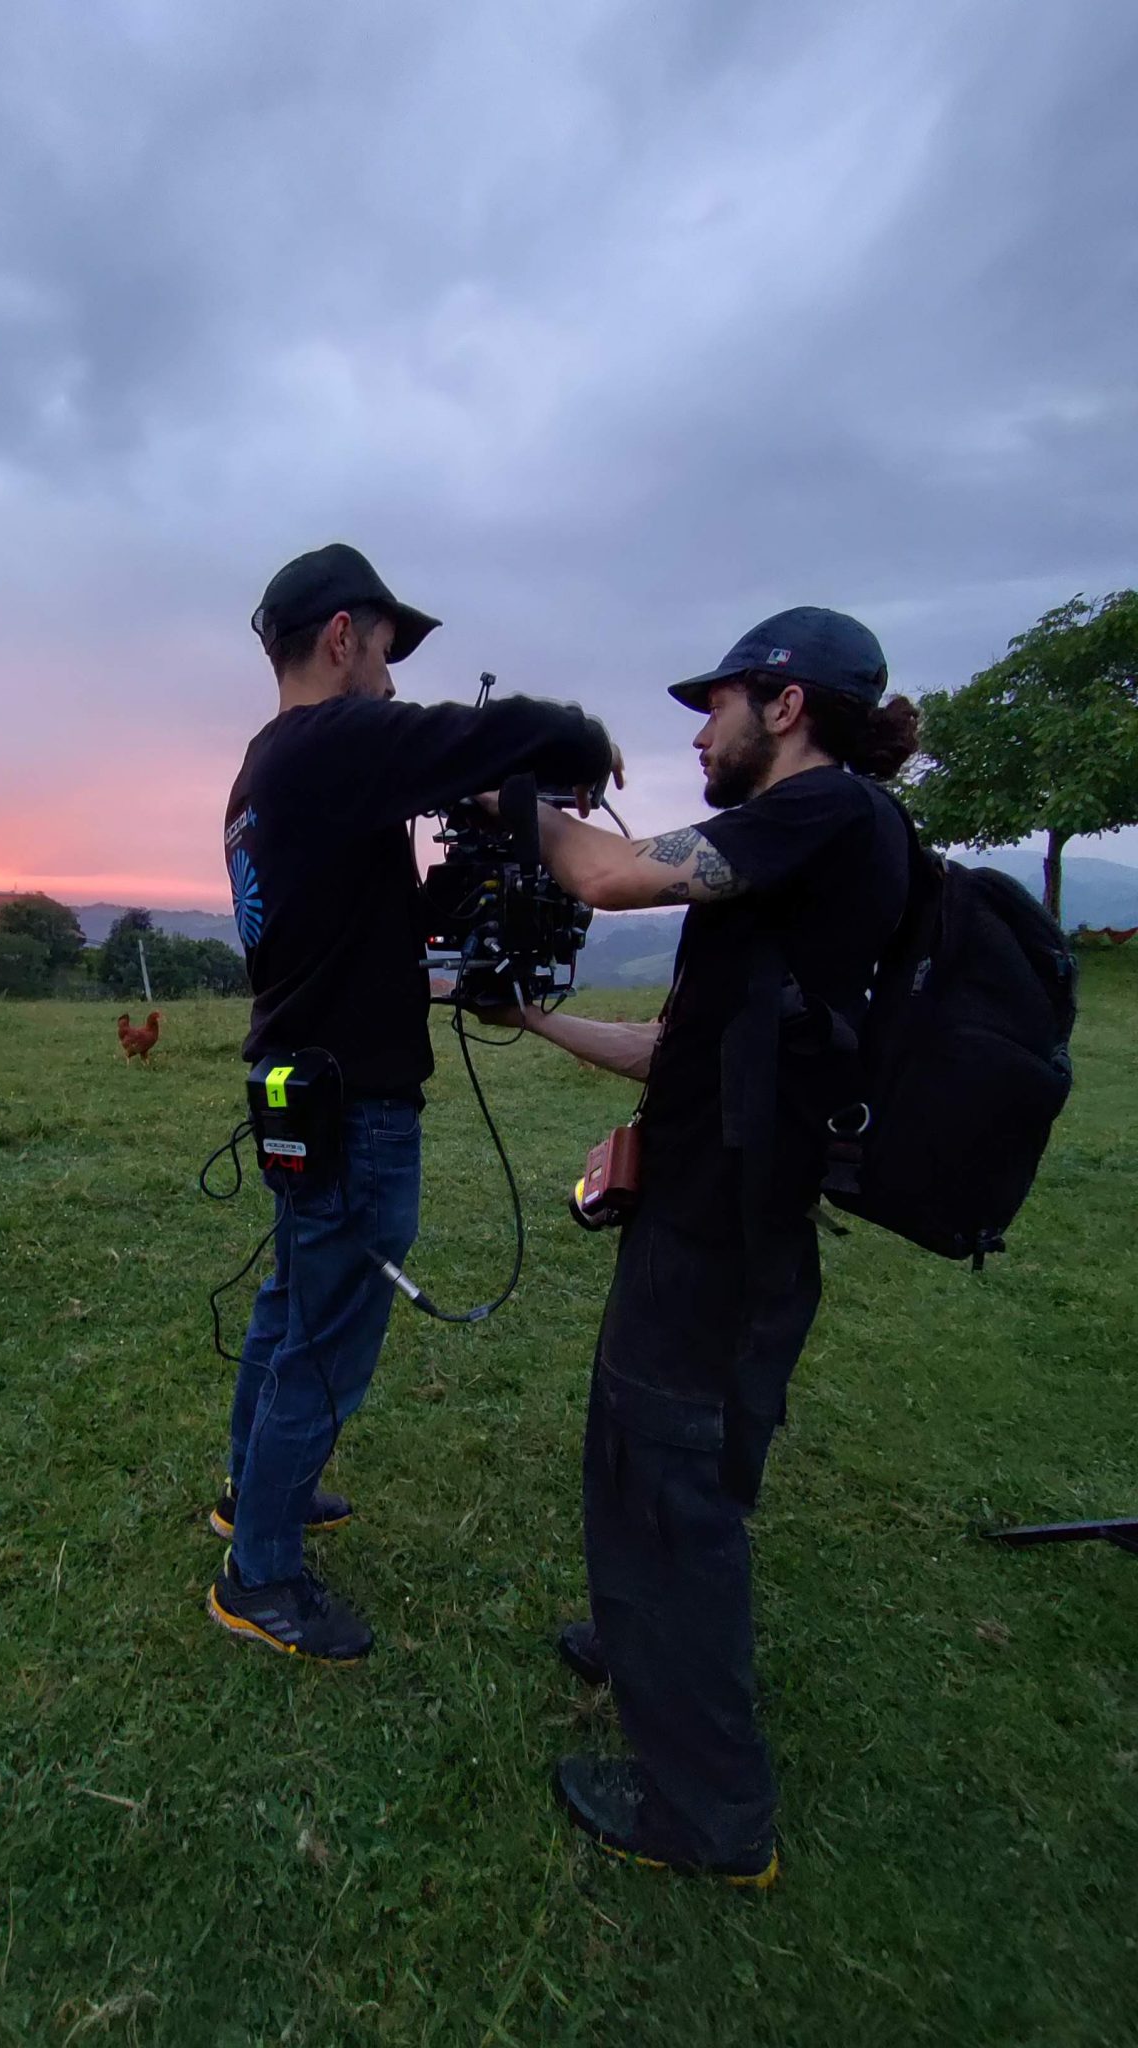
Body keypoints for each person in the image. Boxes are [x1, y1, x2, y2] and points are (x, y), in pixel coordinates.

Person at [490, 607, 917, 1887]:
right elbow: (678, 1052)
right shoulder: (801, 855)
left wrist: (513, 791)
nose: (699, 725)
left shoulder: (825, 810)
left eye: (716, 700)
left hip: (725, 1226)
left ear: (785, 704)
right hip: (711, 1208)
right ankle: (641, 1636)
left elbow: (610, 875)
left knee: (672, 1467)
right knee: (649, 1445)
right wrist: (534, 1014)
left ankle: (712, 1816)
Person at [209, 542, 619, 1663]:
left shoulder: (267, 769)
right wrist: (579, 737)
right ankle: (262, 1575)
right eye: (386, 646)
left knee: (290, 1307)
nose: (391, 674)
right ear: (344, 635)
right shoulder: (331, 742)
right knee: (325, 1343)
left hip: (301, 1082)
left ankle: (252, 1498)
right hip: (357, 1100)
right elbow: (486, 733)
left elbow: (351, 919)